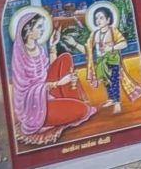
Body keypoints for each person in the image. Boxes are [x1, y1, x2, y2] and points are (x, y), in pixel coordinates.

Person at [7, 9, 94, 144]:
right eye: (39, 27)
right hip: (34, 105)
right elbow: (26, 91)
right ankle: (71, 105)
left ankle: (71, 101)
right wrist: (59, 83)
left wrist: (53, 45)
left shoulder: (39, 48)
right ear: (29, 30)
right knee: (82, 110)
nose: (42, 30)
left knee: (65, 57)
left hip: (47, 92)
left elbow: (48, 72)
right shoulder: (20, 55)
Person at [85, 4, 139, 114]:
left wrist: (112, 47)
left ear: (108, 20)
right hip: (101, 62)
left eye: (101, 18)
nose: (98, 20)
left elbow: (124, 43)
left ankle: (117, 103)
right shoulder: (95, 34)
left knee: (114, 81)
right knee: (106, 81)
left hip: (112, 60)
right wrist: (74, 44)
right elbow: (87, 48)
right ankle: (111, 99)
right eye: (96, 18)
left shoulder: (113, 31)